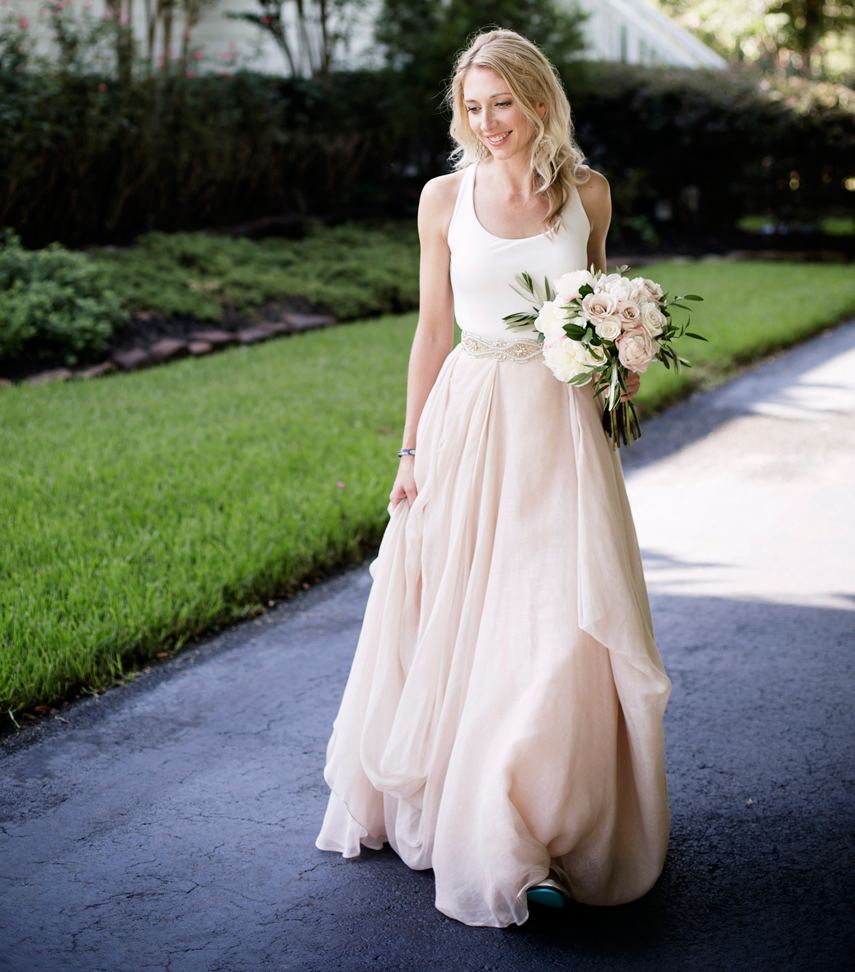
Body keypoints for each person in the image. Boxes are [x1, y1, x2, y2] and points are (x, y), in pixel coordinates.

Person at [316, 28, 671, 929]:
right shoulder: (443, 199)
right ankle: (498, 832)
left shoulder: (585, 194)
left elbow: (595, 308)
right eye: (472, 108)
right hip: (471, 419)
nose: (487, 122)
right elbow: (431, 334)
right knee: (471, 616)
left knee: (557, 622)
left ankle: (539, 826)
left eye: (501, 103)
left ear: (537, 100)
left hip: (559, 428)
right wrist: (407, 454)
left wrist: (622, 358)